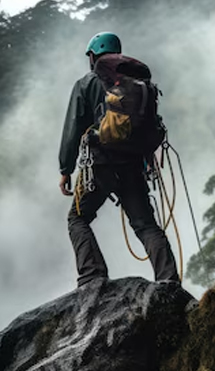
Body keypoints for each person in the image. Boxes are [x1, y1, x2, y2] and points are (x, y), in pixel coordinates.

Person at [58, 32, 180, 287]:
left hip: (99, 164)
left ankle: (92, 276)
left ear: (93, 55)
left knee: (78, 219)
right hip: (134, 165)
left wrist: (65, 169)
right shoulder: (136, 82)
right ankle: (169, 280)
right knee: (146, 225)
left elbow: (73, 127)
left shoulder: (86, 83)